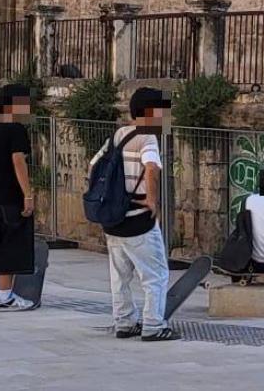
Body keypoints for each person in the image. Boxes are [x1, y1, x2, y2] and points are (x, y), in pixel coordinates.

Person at [89, 87, 178, 341]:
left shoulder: (118, 135)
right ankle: (153, 325)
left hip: (114, 218)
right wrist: (152, 200)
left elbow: (93, 165)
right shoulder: (148, 137)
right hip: (138, 219)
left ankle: (125, 322)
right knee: (156, 275)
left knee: (120, 276)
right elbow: (151, 167)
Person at [0, 84, 39, 311]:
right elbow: (18, 161)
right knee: (9, 243)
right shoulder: (16, 130)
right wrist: (28, 195)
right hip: (11, 195)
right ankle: (5, 296)